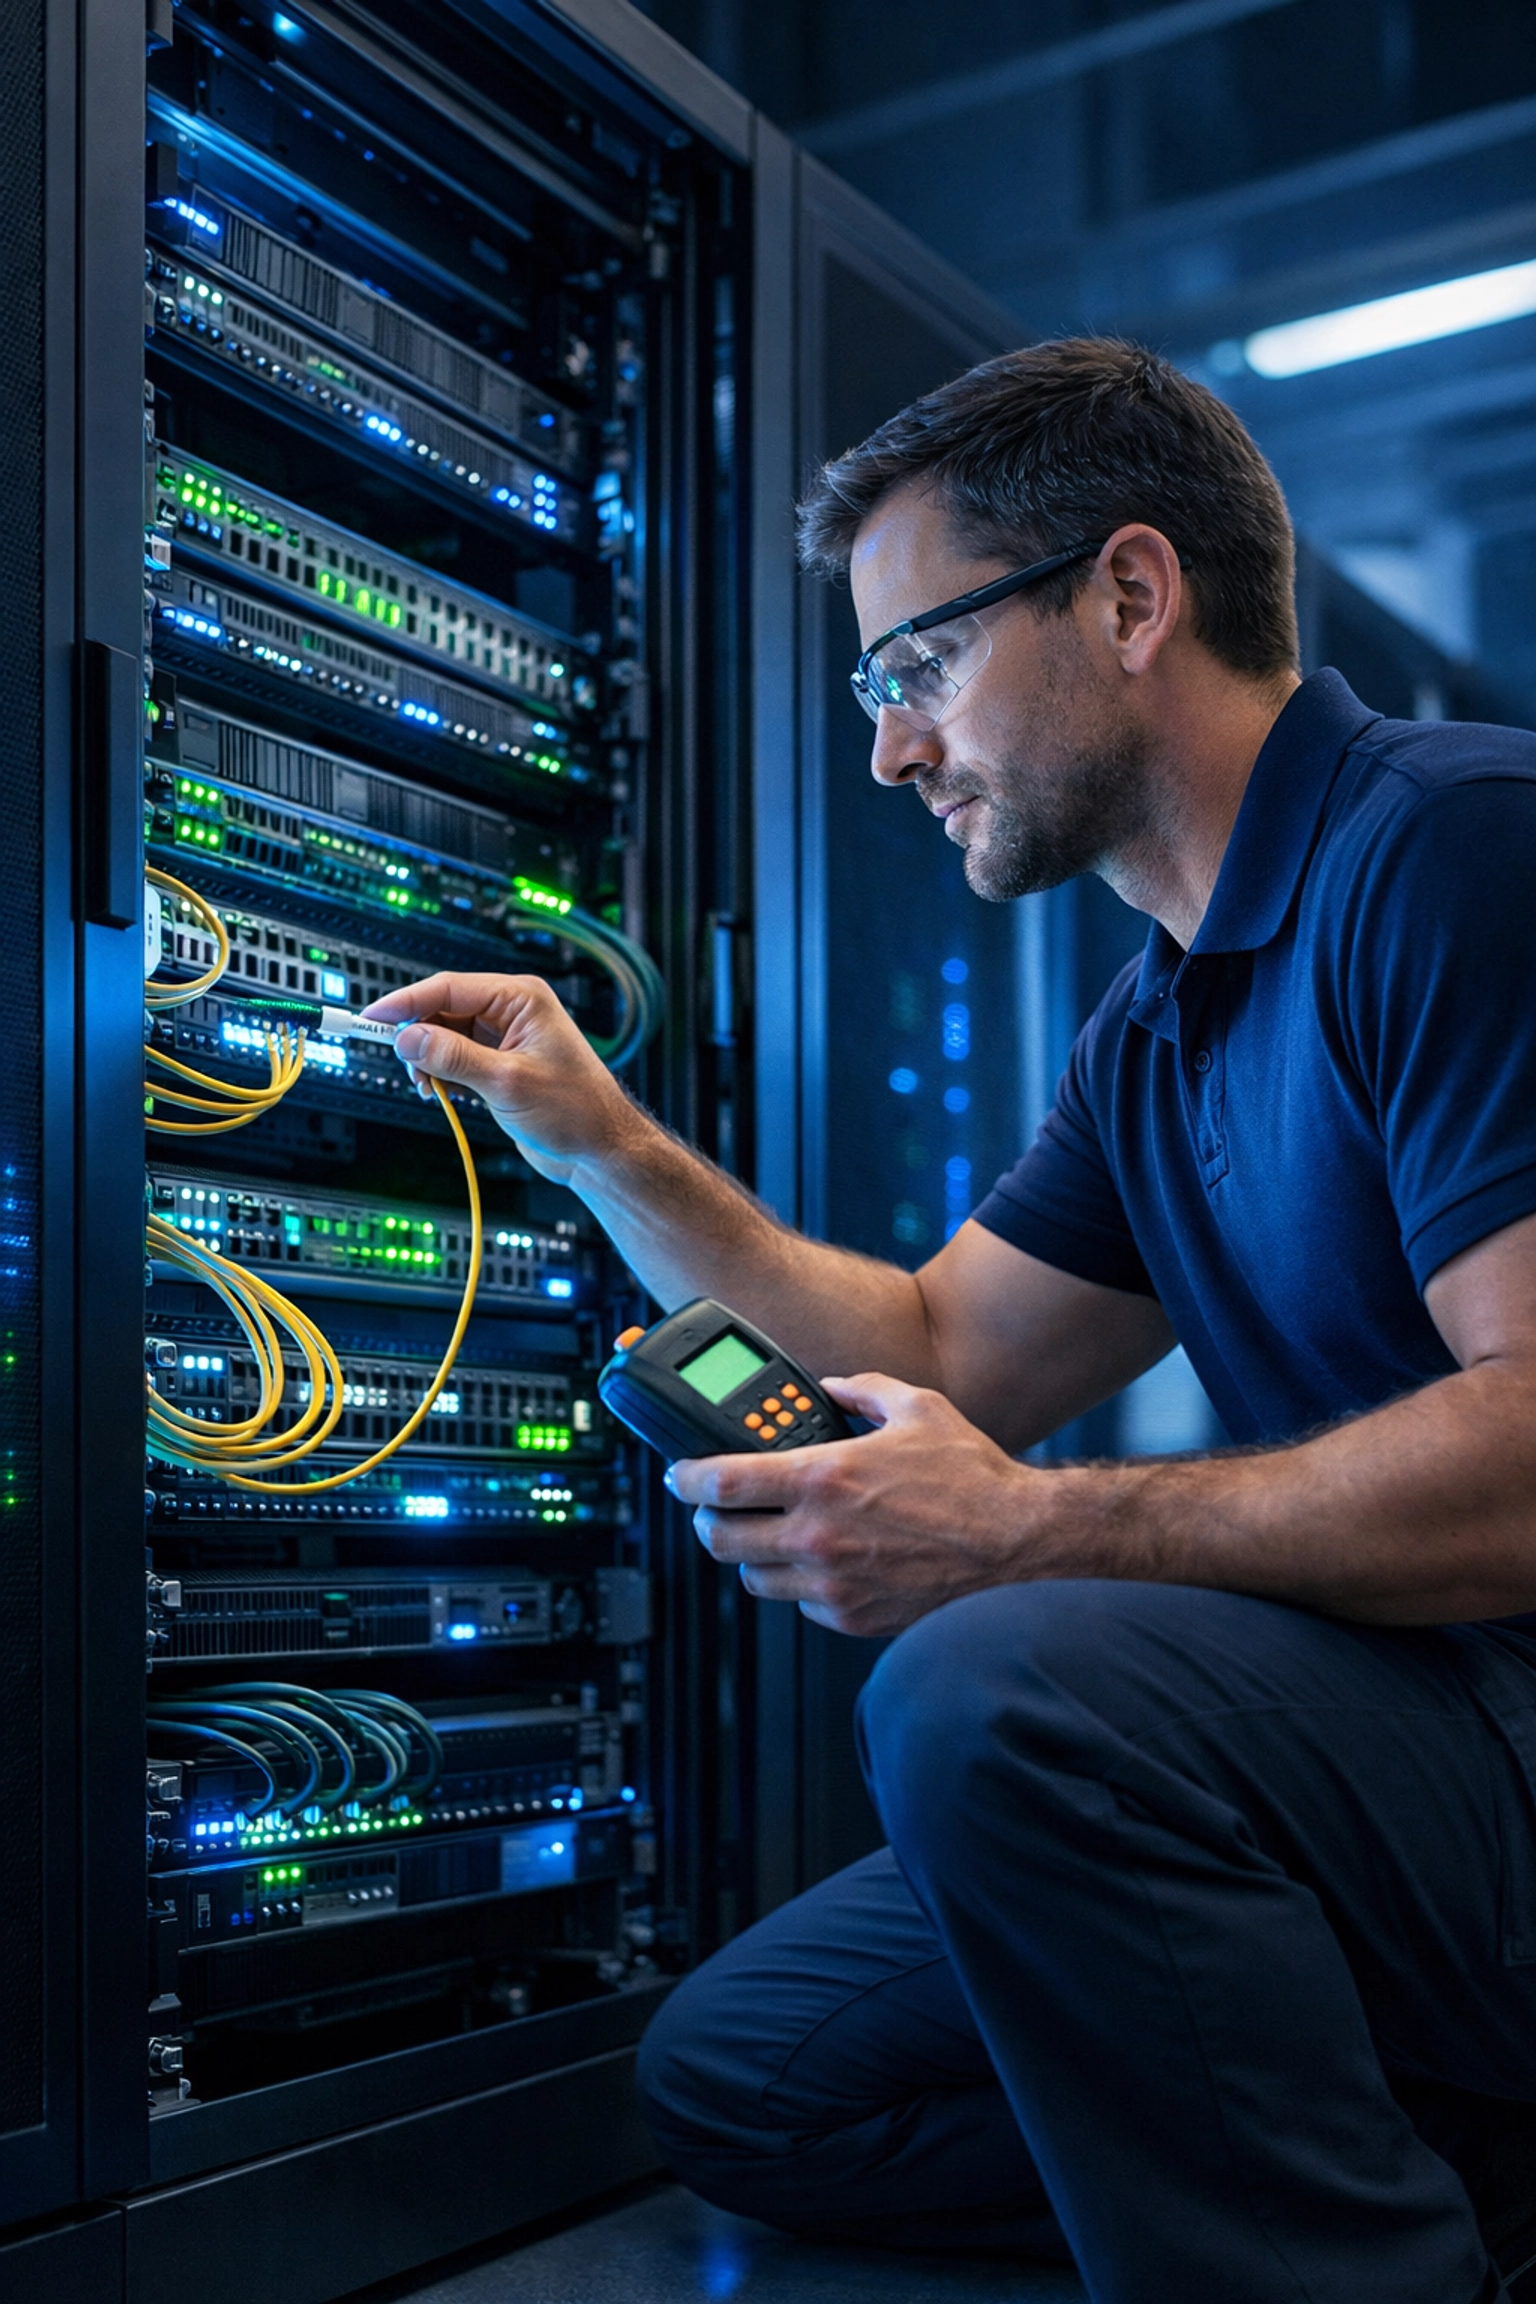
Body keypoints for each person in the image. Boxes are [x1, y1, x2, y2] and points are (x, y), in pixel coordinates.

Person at [369, 340, 1536, 2303]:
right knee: (753, 2084)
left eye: (918, 667)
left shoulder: (1451, 847)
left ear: (1131, 594)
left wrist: (1026, 1530)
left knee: (995, 1681)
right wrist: (599, 1143)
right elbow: (923, 1351)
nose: (896, 748)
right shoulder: (1157, 1025)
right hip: (1409, 1773)